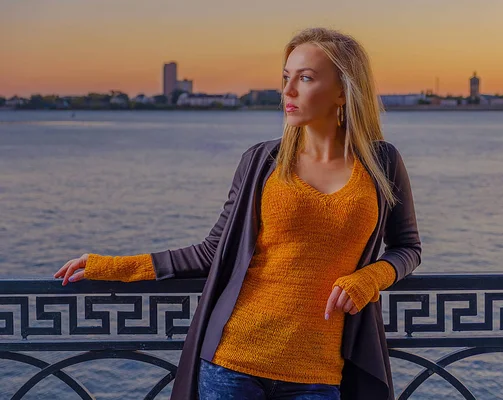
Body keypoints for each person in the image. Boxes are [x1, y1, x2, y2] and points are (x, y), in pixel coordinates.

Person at [54, 27, 421, 400]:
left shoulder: (382, 163)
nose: (288, 91)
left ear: (344, 90)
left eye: (305, 78)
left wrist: (370, 277)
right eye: (285, 78)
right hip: (233, 361)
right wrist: (109, 267)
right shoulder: (262, 162)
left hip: (319, 372)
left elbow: (408, 248)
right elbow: (212, 251)